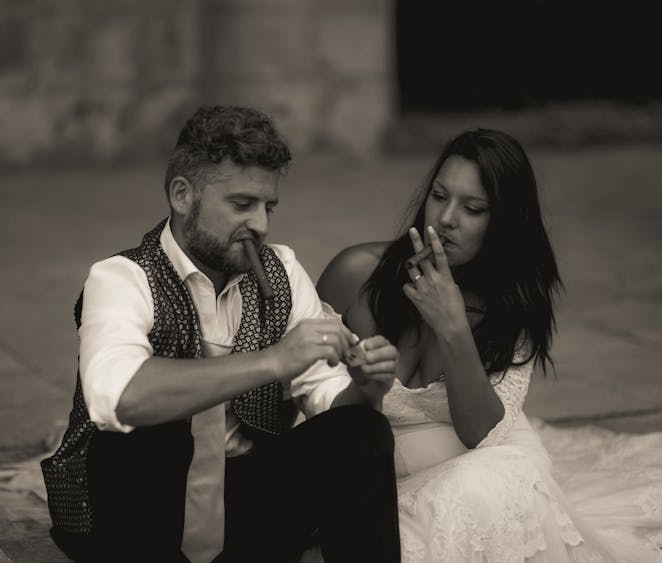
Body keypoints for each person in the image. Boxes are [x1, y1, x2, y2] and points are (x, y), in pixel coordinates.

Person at [41, 105, 401, 562]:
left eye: (268, 206)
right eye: (241, 204)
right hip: (132, 511)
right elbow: (117, 397)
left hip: (242, 498)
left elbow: (329, 400)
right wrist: (272, 361)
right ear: (182, 195)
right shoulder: (122, 277)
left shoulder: (283, 272)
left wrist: (366, 388)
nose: (261, 225)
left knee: (361, 431)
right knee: (155, 432)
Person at [317, 128, 662, 561]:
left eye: (472, 208)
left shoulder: (512, 304)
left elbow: (482, 435)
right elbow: (303, 398)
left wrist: (452, 326)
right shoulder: (356, 274)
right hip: (381, 473)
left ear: (502, 222)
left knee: (493, 481)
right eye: (440, 196)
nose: (446, 218)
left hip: (481, 456)